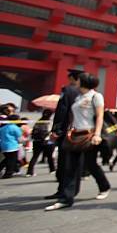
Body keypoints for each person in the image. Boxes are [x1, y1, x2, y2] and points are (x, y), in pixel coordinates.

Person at [44, 73, 111, 211]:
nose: (76, 82)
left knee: (91, 164)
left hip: (89, 135)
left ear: (84, 81)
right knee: (70, 167)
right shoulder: (78, 97)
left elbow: (99, 116)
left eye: (79, 80)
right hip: (75, 135)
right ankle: (66, 198)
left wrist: (97, 134)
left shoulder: (96, 96)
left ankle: (104, 187)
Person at [45, 69, 81, 200]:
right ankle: (73, 189)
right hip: (80, 132)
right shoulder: (84, 93)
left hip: (67, 132)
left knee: (63, 161)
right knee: (75, 162)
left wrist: (56, 129)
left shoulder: (67, 90)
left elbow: (62, 111)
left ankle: (63, 190)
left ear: (72, 78)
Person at [26, 109, 55, 176]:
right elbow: (50, 130)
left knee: (35, 157)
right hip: (47, 141)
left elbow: (33, 131)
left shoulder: (38, 121)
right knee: (50, 156)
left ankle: (29, 172)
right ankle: (52, 169)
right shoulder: (49, 121)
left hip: (37, 141)